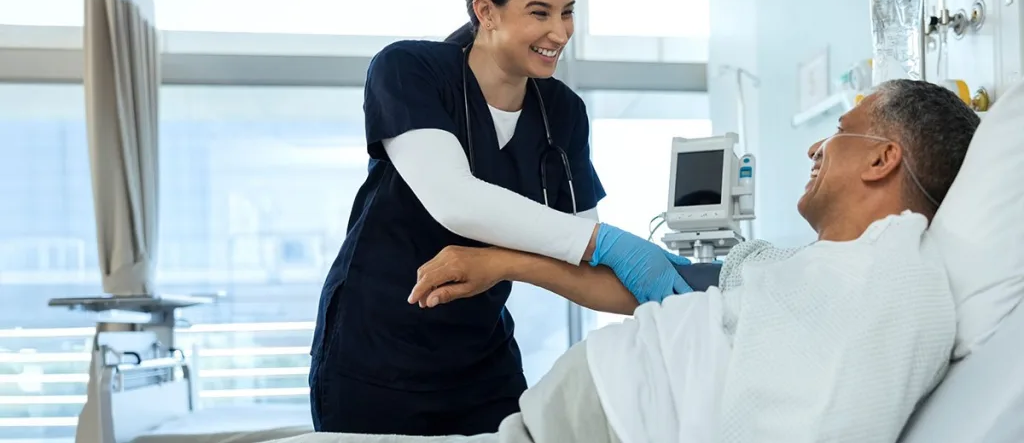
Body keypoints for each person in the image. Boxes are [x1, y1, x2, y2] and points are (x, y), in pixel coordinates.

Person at [405, 79, 982, 443]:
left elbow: (839, 419)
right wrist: (504, 263)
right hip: (578, 410)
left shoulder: (898, 279)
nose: (815, 147)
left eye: (840, 131)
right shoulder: (808, 265)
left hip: (612, 422)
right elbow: (660, 281)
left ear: (882, 159)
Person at [309, 0, 692, 437]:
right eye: (540, 13)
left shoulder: (562, 113)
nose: (559, 32)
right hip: (377, 353)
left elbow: (590, 271)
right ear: (485, 11)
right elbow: (455, 201)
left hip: (482, 363)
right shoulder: (408, 70)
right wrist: (604, 243)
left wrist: (505, 263)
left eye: (568, 12)